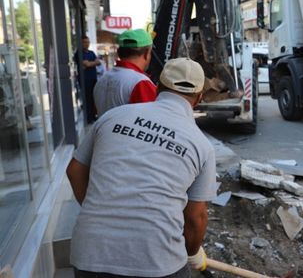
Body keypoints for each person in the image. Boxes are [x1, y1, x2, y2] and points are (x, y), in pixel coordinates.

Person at [67, 58, 216, 277]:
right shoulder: (202, 145)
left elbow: (74, 170)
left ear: (157, 86)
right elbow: (196, 217)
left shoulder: (113, 116)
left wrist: (100, 209)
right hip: (156, 261)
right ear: (199, 98)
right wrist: (192, 252)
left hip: (90, 252)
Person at [94, 29, 156, 117]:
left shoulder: (102, 80)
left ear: (119, 53)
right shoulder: (141, 83)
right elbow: (155, 119)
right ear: (146, 53)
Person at [76, 35, 100, 123]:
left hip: (93, 79)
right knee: (87, 99)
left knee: (93, 98)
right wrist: (92, 63)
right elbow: (87, 64)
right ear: (81, 43)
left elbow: (98, 62)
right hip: (85, 80)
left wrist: (90, 63)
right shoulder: (79, 53)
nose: (87, 44)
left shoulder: (91, 53)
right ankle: (89, 118)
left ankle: (93, 116)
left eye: (88, 42)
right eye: (85, 42)